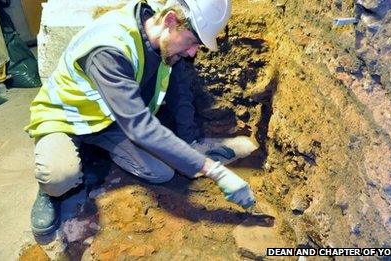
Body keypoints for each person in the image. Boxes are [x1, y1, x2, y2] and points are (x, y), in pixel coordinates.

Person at [24, 0, 255, 236]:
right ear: (171, 20)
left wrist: (192, 143)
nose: (193, 52)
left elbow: (180, 94)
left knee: (162, 172)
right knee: (60, 176)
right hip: (68, 118)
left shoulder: (162, 37)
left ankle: (94, 152)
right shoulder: (110, 48)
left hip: (112, 121)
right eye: (192, 42)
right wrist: (215, 170)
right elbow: (141, 127)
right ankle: (49, 191)